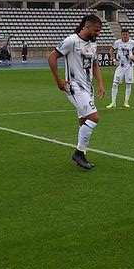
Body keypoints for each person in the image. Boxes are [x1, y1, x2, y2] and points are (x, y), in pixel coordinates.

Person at [48, 14, 105, 170]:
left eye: (99, 31)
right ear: (86, 27)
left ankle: (82, 154)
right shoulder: (71, 41)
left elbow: (94, 64)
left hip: (88, 88)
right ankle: (79, 153)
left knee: (83, 121)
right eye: (96, 30)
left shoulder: (93, 44)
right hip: (74, 87)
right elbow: (52, 57)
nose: (98, 33)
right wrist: (59, 80)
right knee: (93, 117)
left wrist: (100, 83)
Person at [107, 28, 134, 109]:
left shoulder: (132, 42)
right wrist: (114, 59)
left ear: (128, 35)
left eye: (126, 34)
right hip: (121, 66)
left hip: (129, 66)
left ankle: (126, 102)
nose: (125, 36)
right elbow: (110, 51)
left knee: (128, 84)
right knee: (115, 83)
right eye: (123, 34)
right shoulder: (117, 42)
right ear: (121, 35)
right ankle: (113, 102)